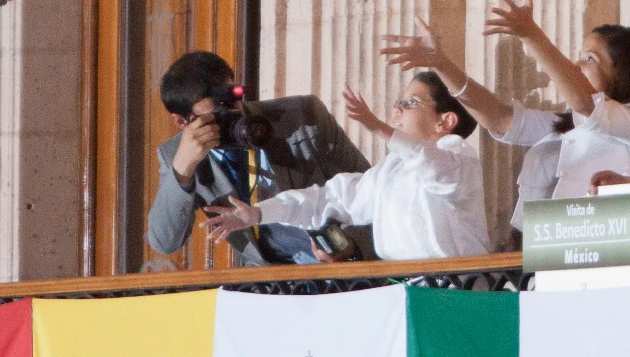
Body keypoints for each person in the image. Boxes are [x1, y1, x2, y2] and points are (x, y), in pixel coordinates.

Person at [379, 0, 630, 229]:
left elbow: (587, 103)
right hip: (562, 252)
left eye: (589, 58)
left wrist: (532, 36)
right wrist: (441, 65)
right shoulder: (569, 122)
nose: (577, 66)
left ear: (625, 71)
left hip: (621, 255)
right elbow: (501, 120)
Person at [200, 71, 490, 260]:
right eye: (399, 101)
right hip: (404, 293)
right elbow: (329, 199)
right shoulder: (391, 169)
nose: (397, 109)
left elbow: (434, 169)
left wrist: (378, 128)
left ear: (445, 121)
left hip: (458, 291)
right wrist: (260, 213)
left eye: (409, 102)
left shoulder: (457, 156)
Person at [147, 51, 373, 265]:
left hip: (343, 266)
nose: (231, 116)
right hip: (270, 282)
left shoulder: (302, 115)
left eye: (233, 102)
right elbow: (165, 242)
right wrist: (183, 168)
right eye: (215, 115)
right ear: (182, 122)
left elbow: (370, 190)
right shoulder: (176, 154)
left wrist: (349, 247)